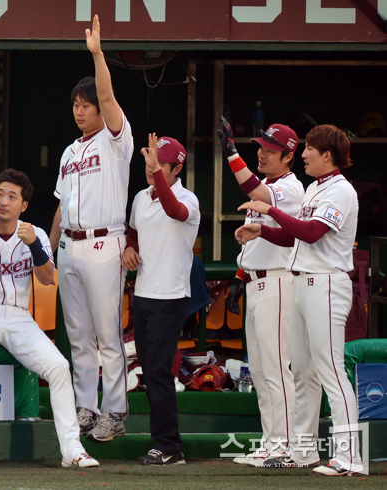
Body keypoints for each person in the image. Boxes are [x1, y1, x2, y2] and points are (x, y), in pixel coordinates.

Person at [235, 124, 363, 476]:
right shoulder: (313, 189)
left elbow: (312, 231)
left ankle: (349, 456)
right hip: (302, 282)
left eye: (310, 148)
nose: (304, 154)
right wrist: (261, 229)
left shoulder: (341, 190)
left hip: (326, 283)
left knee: (331, 370)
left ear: (328, 155)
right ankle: (304, 450)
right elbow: (297, 239)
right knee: (302, 373)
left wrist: (269, 211)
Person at [0, 168, 98, 469]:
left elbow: (47, 279)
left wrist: (34, 244)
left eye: (12, 196)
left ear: (24, 205)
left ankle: (72, 448)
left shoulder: (36, 233)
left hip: (18, 316)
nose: (3, 201)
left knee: (59, 367)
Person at [49, 15, 133, 441]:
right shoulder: (68, 151)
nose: (81, 110)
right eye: (76, 105)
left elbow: (107, 93)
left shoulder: (116, 139)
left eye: (87, 105)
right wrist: (48, 250)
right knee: (78, 335)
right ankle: (85, 406)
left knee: (106, 333)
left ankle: (115, 410)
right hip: (71, 245)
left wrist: (98, 55)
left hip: (104, 243)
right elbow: (61, 208)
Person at [218, 117, 304, 466]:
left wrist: (231, 154)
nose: (263, 154)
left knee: (276, 368)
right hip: (257, 281)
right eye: (261, 147)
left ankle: (285, 445)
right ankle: (271, 443)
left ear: (288, 157)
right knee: (260, 369)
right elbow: (255, 240)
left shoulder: (290, 187)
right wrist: (239, 276)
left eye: (270, 150)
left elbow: (257, 193)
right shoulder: (269, 185)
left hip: (280, 281)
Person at [122, 134, 200, 465]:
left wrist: (156, 175)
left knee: (157, 370)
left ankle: (169, 445)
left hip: (170, 296)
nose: (151, 169)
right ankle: (166, 443)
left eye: (160, 164)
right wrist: (129, 247)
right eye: (149, 163)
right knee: (150, 369)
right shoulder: (141, 197)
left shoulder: (188, 198)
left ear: (176, 167)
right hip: (143, 293)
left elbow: (175, 211)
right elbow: (135, 231)